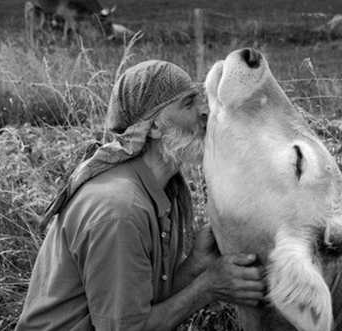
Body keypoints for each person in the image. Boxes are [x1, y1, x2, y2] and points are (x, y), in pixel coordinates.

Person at [15, 60, 265, 331]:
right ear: (155, 126)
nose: (205, 111)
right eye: (188, 103)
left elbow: (140, 302)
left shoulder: (155, 188)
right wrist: (208, 288)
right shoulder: (119, 212)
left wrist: (195, 264)